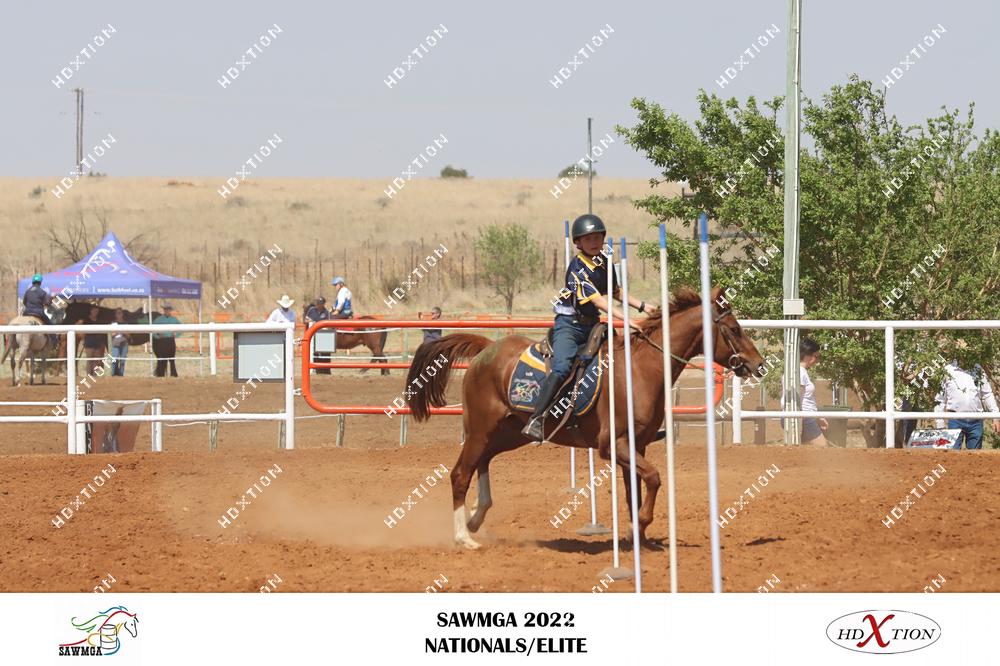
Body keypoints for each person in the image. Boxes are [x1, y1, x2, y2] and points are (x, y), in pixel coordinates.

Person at [522, 214, 657, 441]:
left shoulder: (604, 261)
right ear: (578, 242)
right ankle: (536, 418)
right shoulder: (577, 269)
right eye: (588, 239)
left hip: (593, 324)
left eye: (597, 237)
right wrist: (626, 320)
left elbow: (615, 292)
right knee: (562, 366)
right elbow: (599, 301)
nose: (594, 242)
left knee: (620, 359)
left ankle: (632, 421)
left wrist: (644, 306)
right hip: (569, 326)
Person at [934, 355, 1000, 450]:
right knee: (952, 455)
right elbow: (940, 399)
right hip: (955, 420)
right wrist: (939, 423)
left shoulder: (978, 369)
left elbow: (987, 394)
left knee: (975, 456)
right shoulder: (947, 370)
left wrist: (995, 417)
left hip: (976, 420)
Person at [780, 337, 828, 446]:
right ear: (808, 356)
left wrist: (817, 417)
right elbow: (796, 398)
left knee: (803, 450)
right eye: (817, 356)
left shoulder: (798, 371)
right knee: (822, 448)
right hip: (803, 417)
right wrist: (800, 421)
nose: (817, 361)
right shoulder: (799, 372)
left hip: (803, 416)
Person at [76, 305, 107, 375]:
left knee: (96, 360)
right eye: (94, 310)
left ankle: (94, 375)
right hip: (89, 342)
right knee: (89, 360)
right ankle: (88, 375)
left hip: (98, 342)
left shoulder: (99, 320)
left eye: (97, 310)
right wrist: (83, 337)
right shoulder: (86, 320)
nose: (95, 312)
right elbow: (79, 327)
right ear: (91, 311)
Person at [152, 304, 181, 377]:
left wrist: (176, 335)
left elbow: (181, 328)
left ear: (170, 310)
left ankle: (173, 374)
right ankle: (160, 374)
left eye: (168, 309)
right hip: (162, 341)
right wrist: (157, 336)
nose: (167, 311)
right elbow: (152, 330)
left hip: (171, 340)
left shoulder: (174, 319)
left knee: (172, 359)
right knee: (162, 359)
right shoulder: (158, 320)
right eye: (165, 309)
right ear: (164, 310)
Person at [305, 296, 331, 375]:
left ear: (323, 304)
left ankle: (326, 370)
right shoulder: (311, 310)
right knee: (313, 352)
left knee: (325, 353)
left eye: (320, 303)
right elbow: (306, 320)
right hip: (312, 335)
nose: (318, 304)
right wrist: (311, 322)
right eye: (317, 303)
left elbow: (329, 323)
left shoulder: (326, 312)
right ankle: (315, 369)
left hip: (323, 336)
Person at [110, 307, 129, 376]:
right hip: (115, 343)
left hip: (124, 343)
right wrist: (120, 331)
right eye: (118, 313)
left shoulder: (125, 323)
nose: (119, 314)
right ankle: (113, 374)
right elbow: (112, 334)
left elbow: (128, 335)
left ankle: (121, 375)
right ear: (115, 314)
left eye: (120, 313)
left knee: (122, 361)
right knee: (114, 360)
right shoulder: (113, 323)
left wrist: (120, 331)